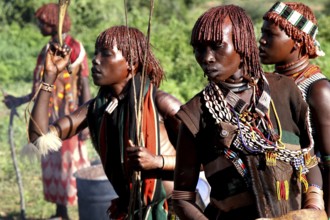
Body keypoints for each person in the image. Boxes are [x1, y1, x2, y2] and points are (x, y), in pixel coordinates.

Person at [172, 4, 326, 220]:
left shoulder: (285, 90)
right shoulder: (195, 113)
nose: (206, 57)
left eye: (217, 46)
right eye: (199, 48)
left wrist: (314, 208)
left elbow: (307, 160)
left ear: (242, 43)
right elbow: (181, 197)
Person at [27, 25, 181, 219]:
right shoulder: (96, 109)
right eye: (96, 53)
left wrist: (157, 161)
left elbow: (205, 157)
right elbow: (38, 136)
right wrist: (49, 77)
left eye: (106, 54)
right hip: (131, 211)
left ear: (132, 64)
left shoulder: (162, 104)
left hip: (173, 211)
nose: (95, 60)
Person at [3, 3, 91, 219]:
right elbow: (40, 87)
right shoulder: (46, 51)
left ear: (53, 23)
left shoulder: (75, 49)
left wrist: (87, 120)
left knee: (70, 169)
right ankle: (61, 213)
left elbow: (85, 84)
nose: (39, 26)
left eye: (42, 22)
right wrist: (19, 100)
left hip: (70, 119)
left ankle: (84, 212)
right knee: (53, 165)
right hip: (46, 119)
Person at [259, 1, 330, 217]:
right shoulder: (265, 84)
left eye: (270, 35)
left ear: (296, 42)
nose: (261, 41)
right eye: (262, 33)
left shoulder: (318, 89)